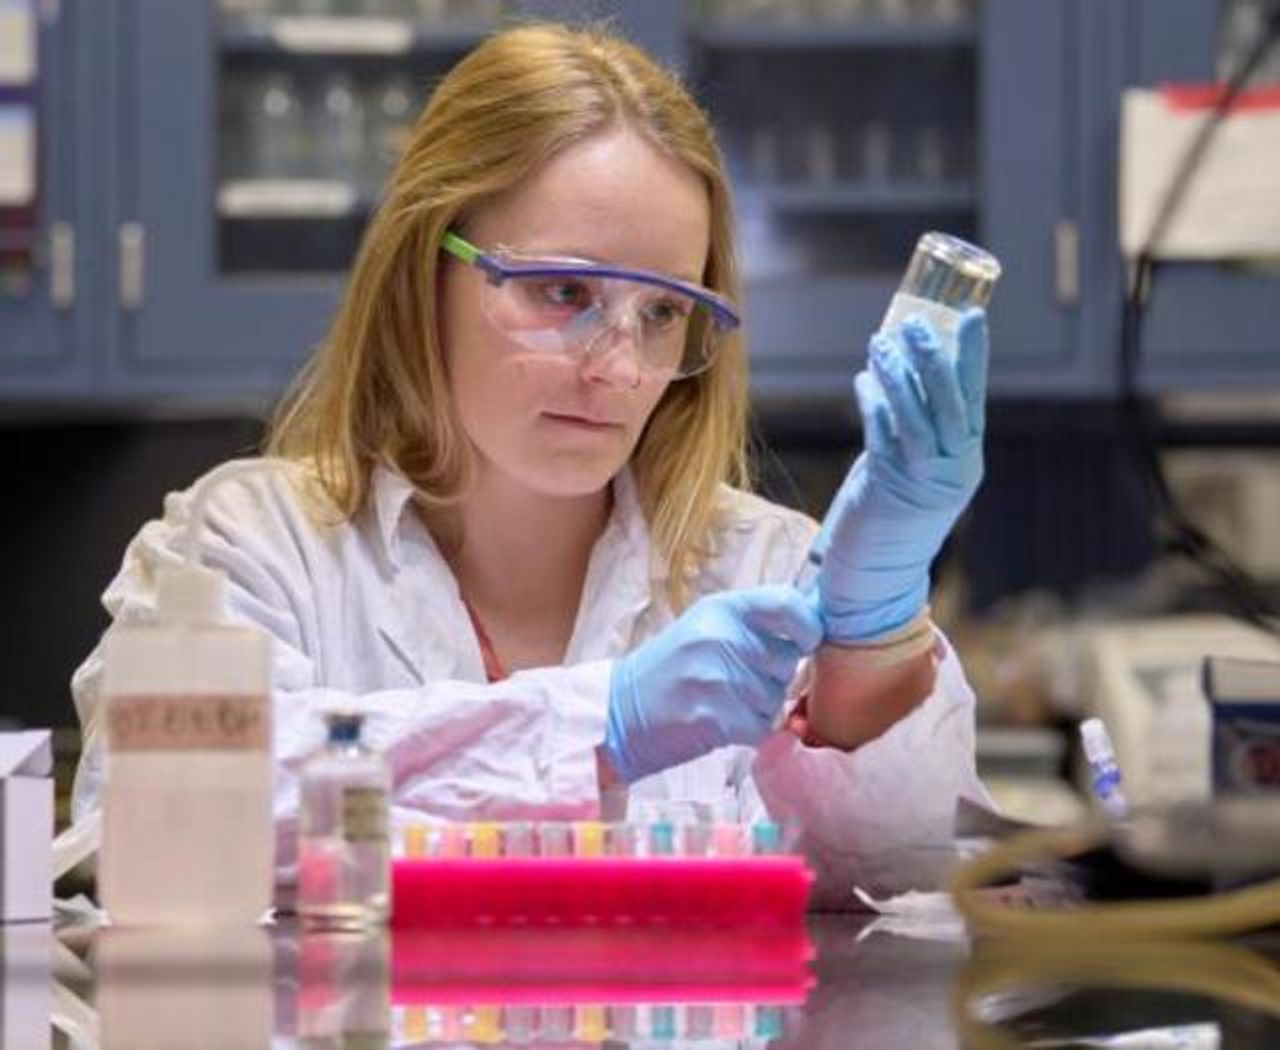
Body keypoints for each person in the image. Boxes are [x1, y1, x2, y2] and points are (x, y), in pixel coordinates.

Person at [70, 22, 992, 908]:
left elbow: (898, 875)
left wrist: (875, 634)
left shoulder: (761, 570)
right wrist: (603, 726)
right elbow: (155, 827)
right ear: (421, 269)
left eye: (663, 314)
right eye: (563, 292)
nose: (619, 368)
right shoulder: (251, 551)